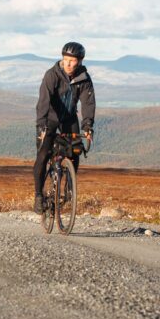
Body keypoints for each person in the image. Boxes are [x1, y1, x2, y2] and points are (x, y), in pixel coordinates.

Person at [33, 41, 96, 214]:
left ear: (80, 61)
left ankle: (69, 189)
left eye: (72, 60)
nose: (68, 63)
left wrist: (88, 125)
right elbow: (43, 102)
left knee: (75, 151)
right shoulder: (52, 75)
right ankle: (38, 196)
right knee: (43, 155)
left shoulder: (84, 78)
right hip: (50, 118)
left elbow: (88, 103)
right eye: (66, 59)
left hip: (69, 118)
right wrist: (42, 126)